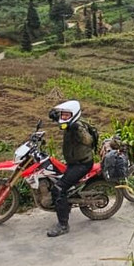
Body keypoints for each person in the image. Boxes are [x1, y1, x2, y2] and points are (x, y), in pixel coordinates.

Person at [45, 99, 96, 237]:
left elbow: (88, 140)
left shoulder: (79, 126)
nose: (63, 117)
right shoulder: (69, 123)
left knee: (58, 189)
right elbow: (63, 123)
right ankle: (65, 205)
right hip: (73, 162)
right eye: (63, 115)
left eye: (66, 115)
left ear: (73, 114)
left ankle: (63, 225)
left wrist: (77, 129)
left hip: (82, 164)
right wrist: (56, 117)